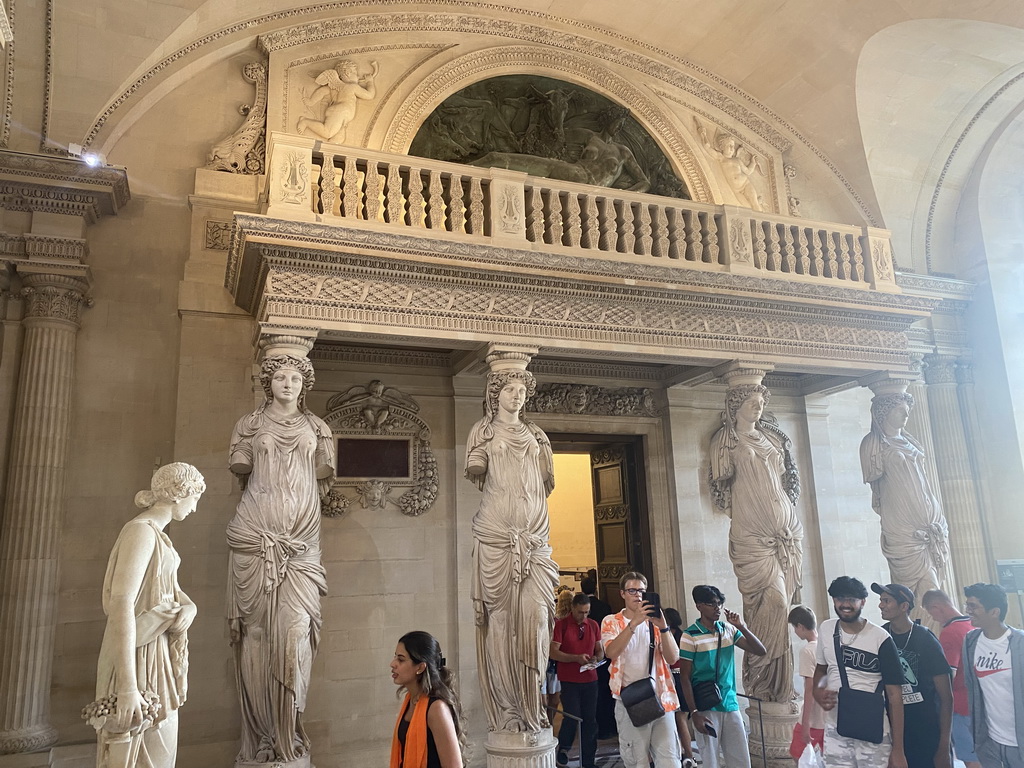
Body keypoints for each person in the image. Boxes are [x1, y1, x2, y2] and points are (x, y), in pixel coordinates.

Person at [227, 354, 336, 763]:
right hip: (253, 541)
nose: (288, 384)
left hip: (302, 549)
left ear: (303, 385)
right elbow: (240, 468)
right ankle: (261, 738)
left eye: (295, 378)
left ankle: (288, 734)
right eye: (280, 377)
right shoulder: (249, 426)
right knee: (255, 639)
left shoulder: (318, 429)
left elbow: (322, 475)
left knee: (293, 638)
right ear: (268, 382)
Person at [92, 462, 206, 768]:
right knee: (143, 755)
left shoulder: (160, 537)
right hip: (136, 653)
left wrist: (190, 607)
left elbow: (172, 589)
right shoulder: (141, 533)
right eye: (195, 499)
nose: (194, 509)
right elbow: (121, 604)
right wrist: (128, 688)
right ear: (179, 494)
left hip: (157, 654)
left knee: (161, 752)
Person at [465, 367, 559, 733]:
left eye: (521, 390)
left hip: (535, 542)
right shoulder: (483, 431)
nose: (516, 396)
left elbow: (544, 485)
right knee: (500, 625)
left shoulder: (537, 435)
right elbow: (477, 469)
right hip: (495, 538)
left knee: (536, 620)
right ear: (495, 394)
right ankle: (508, 711)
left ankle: (531, 704)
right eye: (509, 390)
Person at [709, 383, 803, 703]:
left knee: (782, 605)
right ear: (735, 406)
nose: (758, 407)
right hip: (751, 535)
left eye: (761, 402)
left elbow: (784, 480)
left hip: (785, 533)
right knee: (772, 602)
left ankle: (778, 687)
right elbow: (721, 482)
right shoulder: (726, 441)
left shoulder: (772, 436)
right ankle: (762, 681)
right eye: (751, 402)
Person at [860, 392, 951, 611]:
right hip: (903, 530)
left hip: (931, 525)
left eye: (907, 410)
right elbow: (874, 479)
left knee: (935, 588)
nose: (906, 414)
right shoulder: (873, 444)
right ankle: (922, 636)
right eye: (900, 410)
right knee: (923, 591)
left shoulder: (911, 441)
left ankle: (930, 637)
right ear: (885, 412)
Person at [812, 576, 907, 768]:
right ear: (833, 601)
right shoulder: (826, 629)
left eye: (851, 599)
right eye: (840, 598)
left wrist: (898, 750)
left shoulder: (880, 638)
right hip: (836, 726)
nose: (845, 604)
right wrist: (818, 691)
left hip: (873, 727)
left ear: (862, 601)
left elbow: (895, 695)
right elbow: (821, 669)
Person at [678, 584, 767, 768]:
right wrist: (694, 713)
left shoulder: (728, 630)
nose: (717, 608)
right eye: (711, 604)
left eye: (719, 603)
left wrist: (741, 626)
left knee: (741, 760)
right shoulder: (690, 635)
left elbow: (760, 650)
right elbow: (684, 677)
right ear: (699, 606)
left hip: (729, 702)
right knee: (710, 761)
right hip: (706, 705)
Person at [601, 571, 681, 768]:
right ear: (622, 593)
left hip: (661, 698)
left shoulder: (654, 622)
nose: (637, 595)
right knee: (638, 762)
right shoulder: (611, 621)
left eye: (642, 591)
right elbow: (611, 652)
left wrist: (663, 627)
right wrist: (634, 623)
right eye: (632, 590)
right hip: (630, 700)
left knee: (670, 761)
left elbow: (673, 658)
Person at [472, 106, 651, 192]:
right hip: (571, 172)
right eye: (618, 124)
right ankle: (477, 164)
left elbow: (644, 182)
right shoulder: (590, 137)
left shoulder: (623, 152)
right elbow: (556, 134)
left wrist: (624, 196)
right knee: (498, 158)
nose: (619, 128)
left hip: (594, 189)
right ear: (609, 121)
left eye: (622, 126)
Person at [874, 582, 953, 768]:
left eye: (886, 600)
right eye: (880, 600)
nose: (880, 605)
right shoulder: (880, 636)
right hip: (891, 729)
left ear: (904, 606)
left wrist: (944, 746)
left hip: (926, 730)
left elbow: (946, 697)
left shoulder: (926, 639)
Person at [962, 582, 1024, 768]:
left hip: (1019, 741)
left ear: (994, 612)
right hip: (989, 741)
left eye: (973, 606)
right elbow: (972, 688)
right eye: (968, 605)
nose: (968, 610)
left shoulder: (1019, 643)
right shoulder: (971, 641)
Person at [389, 630, 466, 768]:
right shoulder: (410, 700)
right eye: (395, 657)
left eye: (401, 659)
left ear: (420, 667)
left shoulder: (436, 708)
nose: (393, 664)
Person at [923, 589, 981, 768]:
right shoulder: (974, 625)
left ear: (936, 607)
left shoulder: (949, 632)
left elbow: (949, 675)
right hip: (980, 703)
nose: (932, 618)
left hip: (961, 707)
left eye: (930, 612)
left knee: (971, 760)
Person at [551, 593, 604, 768]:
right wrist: (575, 658)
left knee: (590, 720)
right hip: (569, 679)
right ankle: (564, 748)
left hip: (590, 679)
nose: (584, 616)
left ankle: (588, 760)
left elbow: (600, 650)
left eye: (587, 612)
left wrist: (596, 659)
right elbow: (553, 652)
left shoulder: (594, 625)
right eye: (581, 612)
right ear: (573, 608)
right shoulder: (562, 625)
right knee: (572, 716)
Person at [297, 59, 379, 142]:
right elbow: (370, 95)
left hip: (341, 114)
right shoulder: (352, 87)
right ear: (348, 73)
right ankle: (305, 122)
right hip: (340, 112)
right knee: (328, 133)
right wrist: (370, 82)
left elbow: (323, 91)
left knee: (338, 140)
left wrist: (311, 101)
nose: (358, 77)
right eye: (355, 73)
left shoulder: (336, 87)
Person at [695, 118, 765, 211]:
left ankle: (760, 215)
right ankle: (758, 203)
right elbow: (707, 148)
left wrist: (753, 162)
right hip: (737, 190)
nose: (732, 148)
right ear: (721, 147)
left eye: (733, 146)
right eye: (729, 146)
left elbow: (748, 171)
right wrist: (703, 134)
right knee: (747, 208)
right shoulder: (721, 158)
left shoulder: (737, 160)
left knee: (754, 204)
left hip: (746, 184)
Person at [787, 605, 825, 761]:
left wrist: (805, 723)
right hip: (831, 715)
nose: (795, 632)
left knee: (799, 757)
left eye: (794, 628)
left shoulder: (807, 651)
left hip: (815, 718)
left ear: (801, 627)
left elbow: (809, 689)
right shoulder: (826, 646)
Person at [581, 573, 617, 741]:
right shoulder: (604, 606)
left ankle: (594, 729)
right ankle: (608, 727)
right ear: (595, 588)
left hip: (586, 652)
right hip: (603, 652)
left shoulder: (581, 609)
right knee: (605, 690)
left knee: (592, 694)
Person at [664, 608, 697, 768]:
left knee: (677, 719)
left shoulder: (667, 635)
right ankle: (688, 754)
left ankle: (685, 754)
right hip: (685, 679)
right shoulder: (684, 635)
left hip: (674, 678)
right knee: (681, 718)